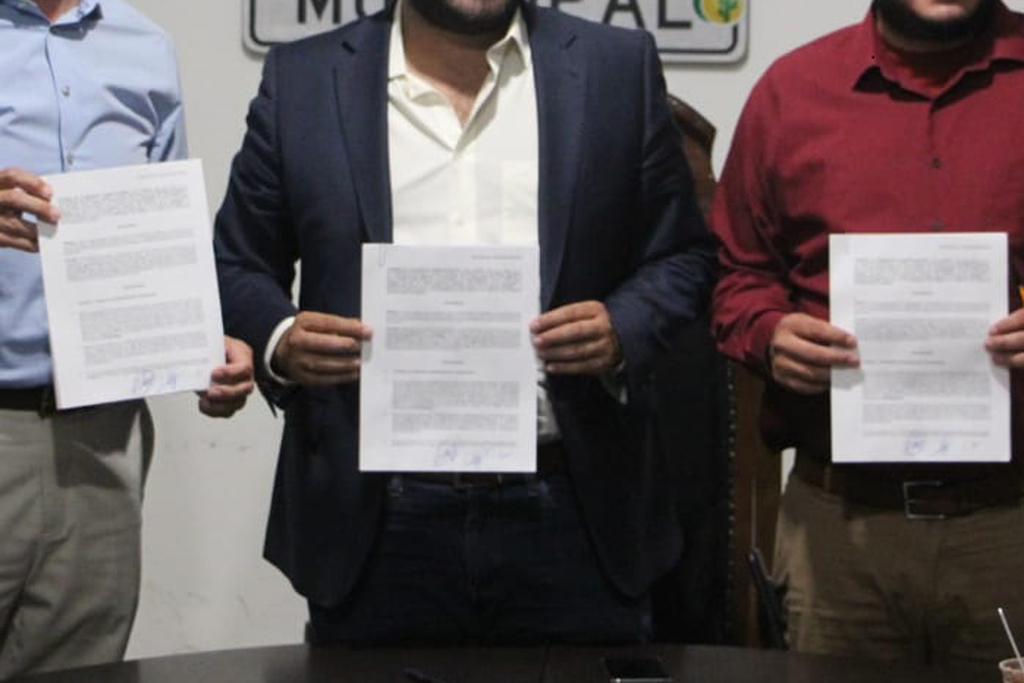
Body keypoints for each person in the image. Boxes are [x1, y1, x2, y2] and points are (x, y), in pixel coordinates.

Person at [215, 0, 713, 644]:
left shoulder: (616, 68)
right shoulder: (304, 79)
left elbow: (683, 253)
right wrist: (283, 340)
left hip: (576, 509)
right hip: (373, 520)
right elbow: (238, 262)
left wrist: (623, 327)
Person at [712, 0, 1024, 672]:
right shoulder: (792, 91)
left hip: (1011, 525)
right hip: (840, 530)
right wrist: (769, 332)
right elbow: (735, 271)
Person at [0, 0, 254, 677]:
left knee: (82, 668)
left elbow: (163, 248)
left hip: (105, 435)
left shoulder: (144, 47)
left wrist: (203, 346)